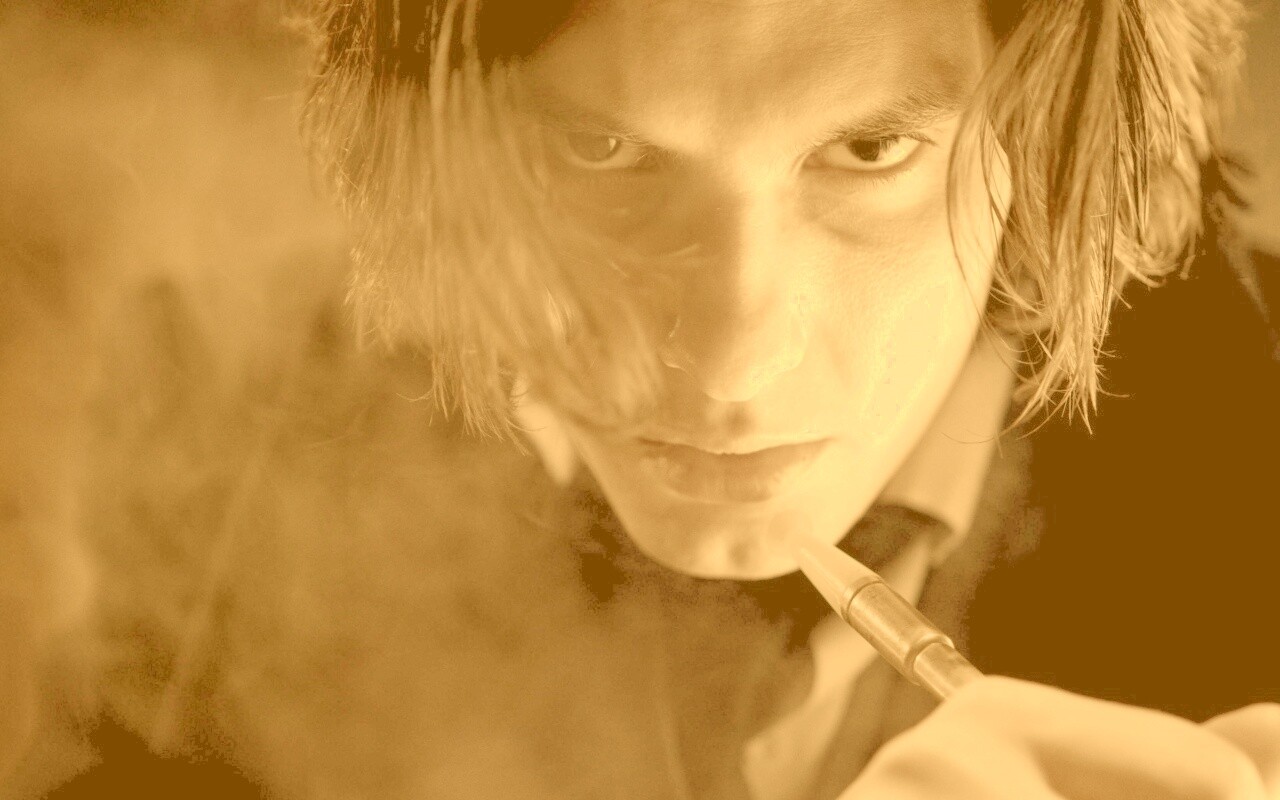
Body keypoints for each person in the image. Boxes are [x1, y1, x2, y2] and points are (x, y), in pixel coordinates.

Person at [5, 0, 1279, 798]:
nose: (725, 368)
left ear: (1044, 135)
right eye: (598, 149)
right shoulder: (239, 417)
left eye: (868, 150)